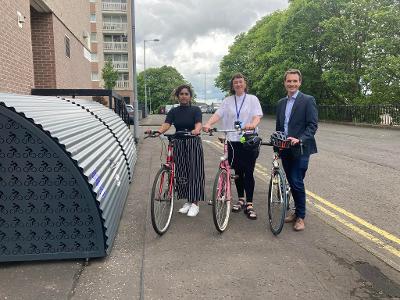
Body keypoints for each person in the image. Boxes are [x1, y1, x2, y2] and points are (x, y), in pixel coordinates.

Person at [203, 73, 263, 220]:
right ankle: (240, 198)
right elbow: (218, 114)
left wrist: (252, 125)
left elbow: (257, 116)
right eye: (235, 82)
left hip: (247, 140)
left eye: (240, 82)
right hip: (232, 140)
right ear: (232, 85)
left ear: (245, 84)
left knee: (248, 172)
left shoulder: (252, 99)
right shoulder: (228, 100)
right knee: (237, 172)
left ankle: (249, 203)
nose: (238, 84)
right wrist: (209, 123)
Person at [146, 85, 205, 217]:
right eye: (181, 94)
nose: (184, 96)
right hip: (178, 142)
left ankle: (195, 203)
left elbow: (198, 123)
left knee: (194, 172)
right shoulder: (174, 111)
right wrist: (158, 131)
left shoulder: (195, 110)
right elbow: (167, 124)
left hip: (192, 141)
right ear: (178, 96)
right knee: (181, 172)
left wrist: (196, 130)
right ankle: (188, 201)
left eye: (186, 94)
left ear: (190, 96)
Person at [275, 69, 318, 231]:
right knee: (293, 182)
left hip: (301, 148)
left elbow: (312, 125)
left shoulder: (307, 100)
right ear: (284, 83)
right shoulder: (281, 103)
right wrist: (277, 147)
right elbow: (279, 127)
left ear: (300, 82)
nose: (292, 84)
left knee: (296, 181)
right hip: (285, 148)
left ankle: (300, 217)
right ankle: (295, 212)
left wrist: (300, 139)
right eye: (289, 81)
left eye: (295, 81)